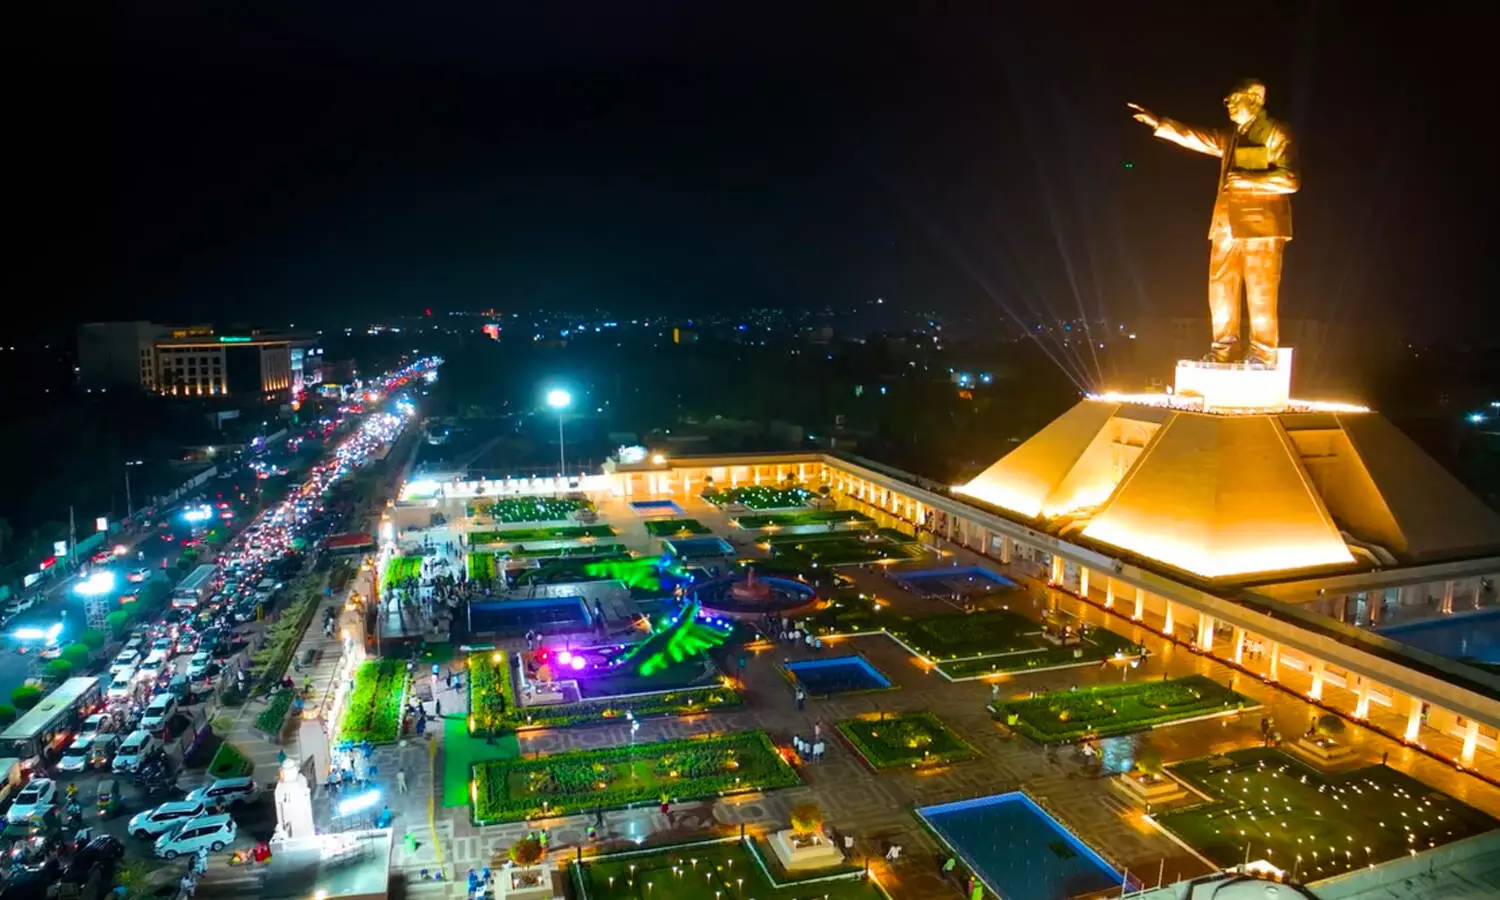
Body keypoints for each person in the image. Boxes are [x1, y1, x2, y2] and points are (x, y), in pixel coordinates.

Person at [1128, 79, 1298, 366]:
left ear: (1255, 100)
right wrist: (1160, 124)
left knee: (1260, 293)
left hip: (1261, 227)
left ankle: (1263, 353)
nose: (1228, 104)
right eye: (1227, 100)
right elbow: (1197, 137)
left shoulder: (1276, 132)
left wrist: (1248, 179)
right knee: (1220, 290)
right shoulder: (1230, 137)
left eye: (1233, 98)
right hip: (1225, 226)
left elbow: (1291, 180)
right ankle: (1224, 349)